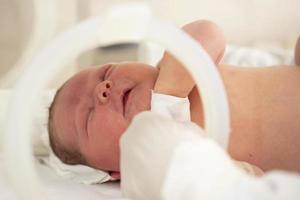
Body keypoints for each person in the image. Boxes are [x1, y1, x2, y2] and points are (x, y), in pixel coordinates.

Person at [48, 20, 299, 179]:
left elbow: (208, 32)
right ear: (117, 172)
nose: (103, 89)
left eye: (106, 72)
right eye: (89, 115)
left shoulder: (173, 66)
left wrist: (169, 94)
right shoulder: (169, 169)